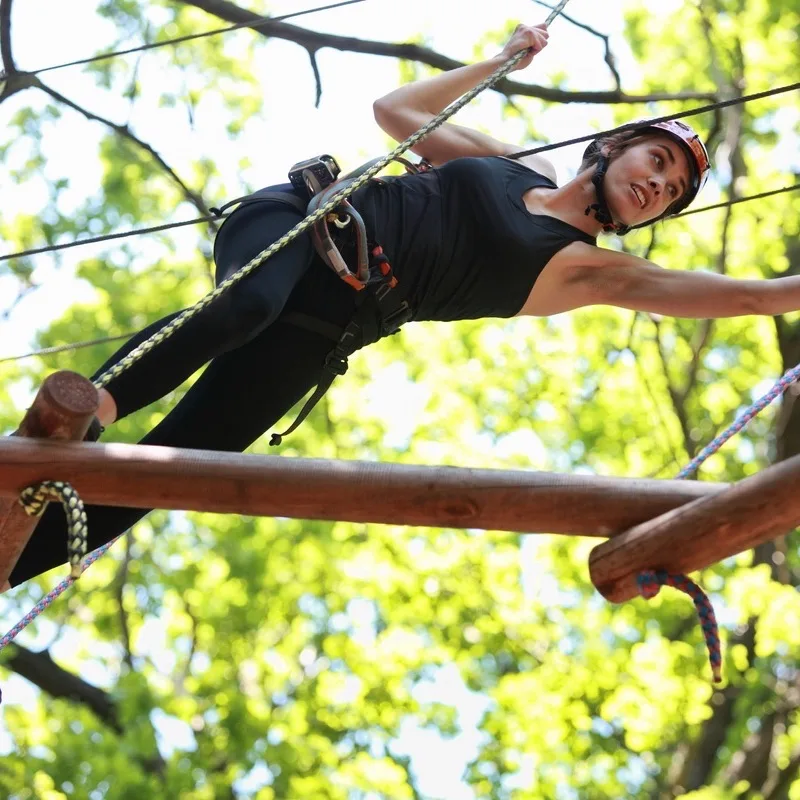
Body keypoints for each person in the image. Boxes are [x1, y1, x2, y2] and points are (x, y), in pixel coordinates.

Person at [7, 22, 800, 588]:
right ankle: (92, 410)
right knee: (240, 309)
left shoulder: (589, 273)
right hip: (302, 224)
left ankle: (9, 568)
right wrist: (496, 62)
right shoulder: (506, 166)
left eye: (669, 193)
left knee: (171, 473)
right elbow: (395, 113)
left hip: (330, 324)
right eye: (655, 161)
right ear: (611, 148)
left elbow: (754, 295)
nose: (657, 184)